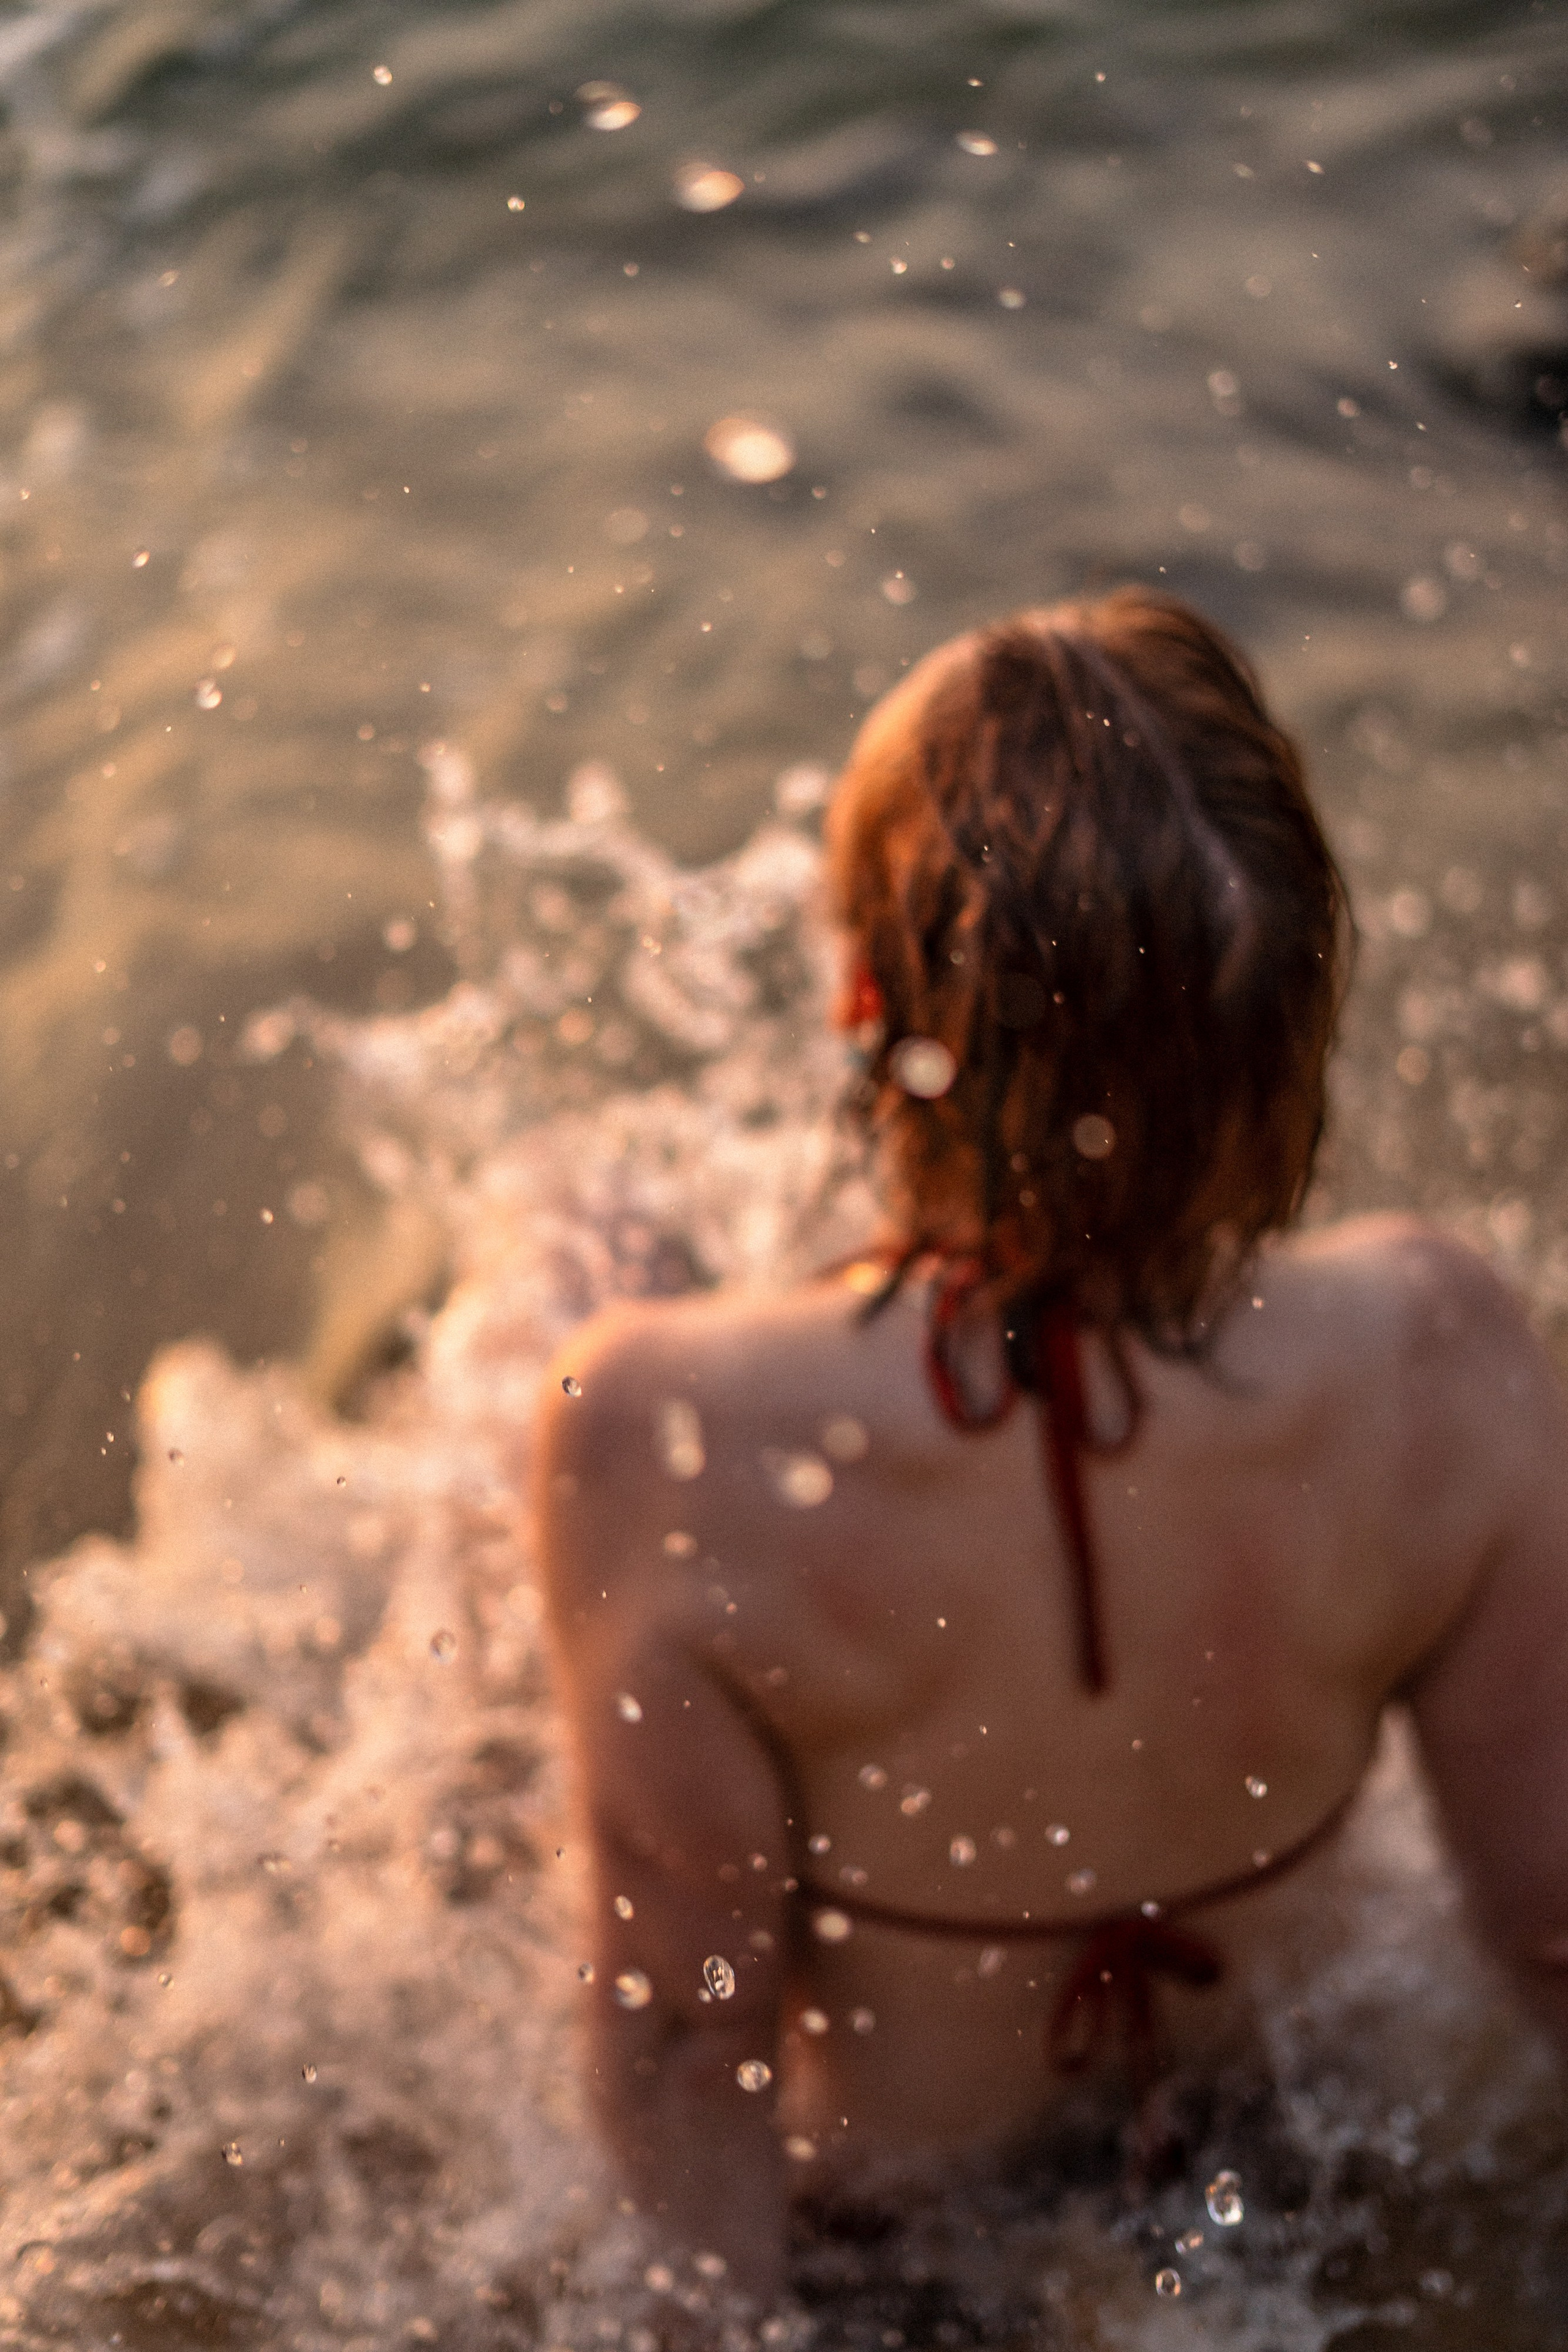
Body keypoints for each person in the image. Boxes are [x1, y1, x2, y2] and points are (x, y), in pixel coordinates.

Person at [534, 587, 1568, 2304]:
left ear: (870, 997)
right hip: (1285, 2166)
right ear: (1299, 1022)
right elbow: (1548, 1930)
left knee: (576, 1253)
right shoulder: (1437, 1350)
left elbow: (680, 2044)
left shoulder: (664, 1431)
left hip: (896, 2242)